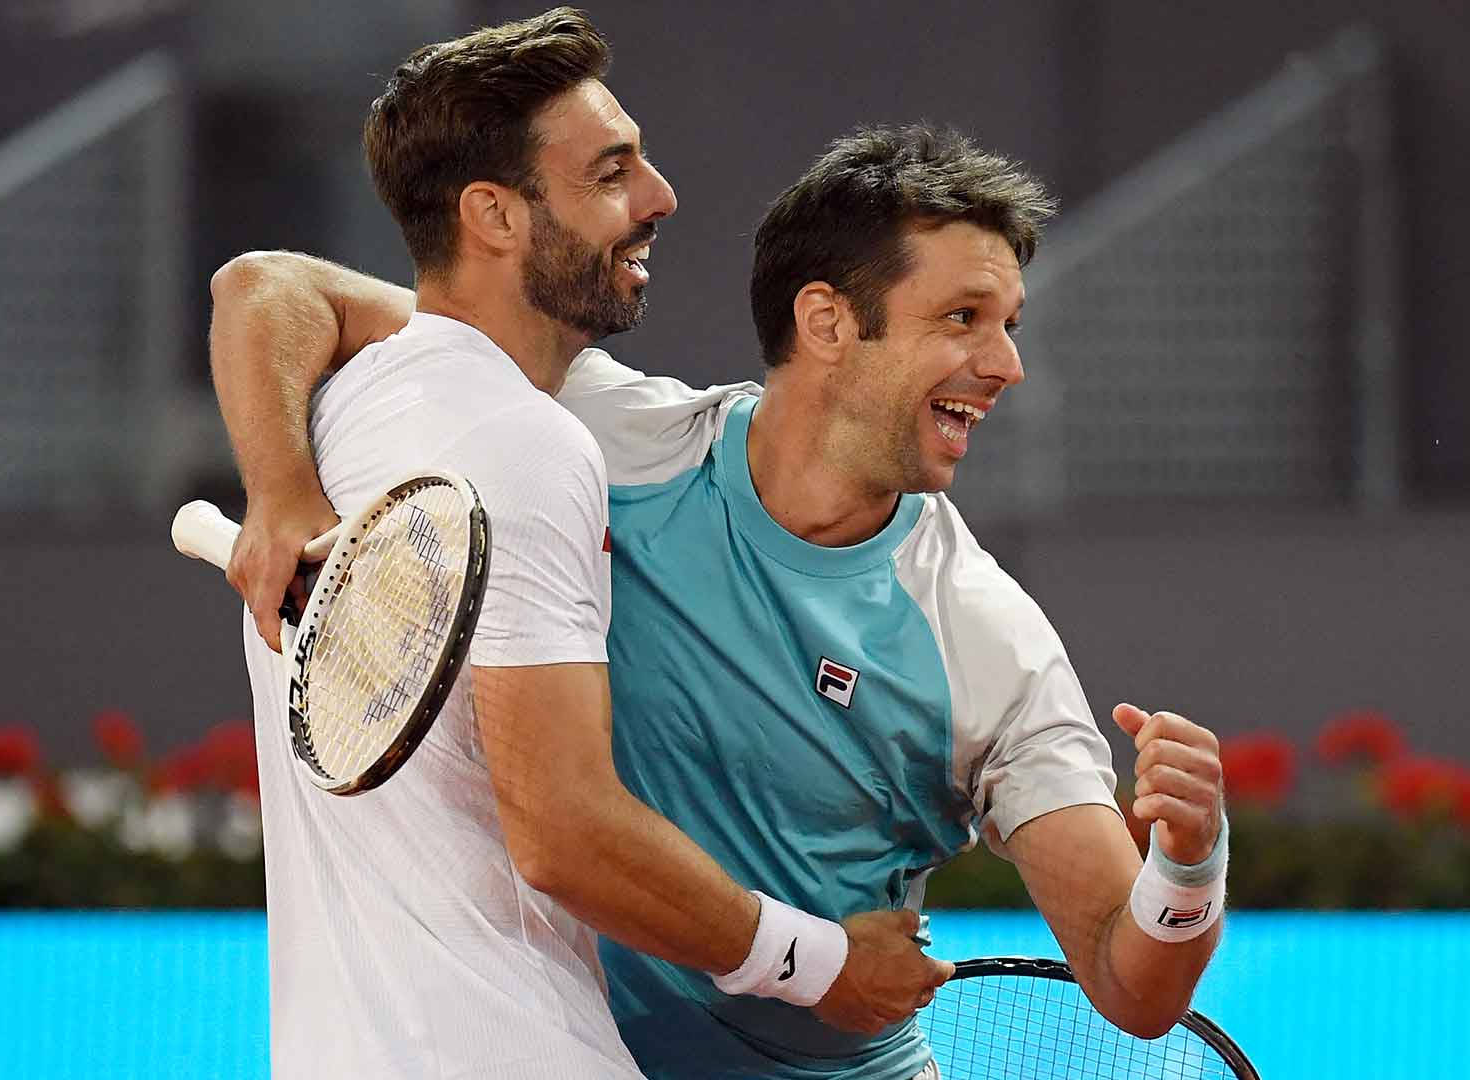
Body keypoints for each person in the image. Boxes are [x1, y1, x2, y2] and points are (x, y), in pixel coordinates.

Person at [215, 124, 1227, 1078]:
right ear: (826, 320)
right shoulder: (592, 430)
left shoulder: (984, 639)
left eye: (1008, 324)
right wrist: (279, 494)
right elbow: (275, 290)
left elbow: (1126, 980)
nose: (1006, 364)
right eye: (963, 318)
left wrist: (1186, 867)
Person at [217, 11, 951, 1078]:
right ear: (495, 216)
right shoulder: (527, 447)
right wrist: (820, 963)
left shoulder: (352, 397)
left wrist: (279, 483)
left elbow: (258, 282)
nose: (660, 197)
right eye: (612, 174)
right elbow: (563, 832)